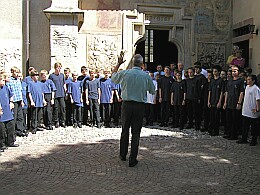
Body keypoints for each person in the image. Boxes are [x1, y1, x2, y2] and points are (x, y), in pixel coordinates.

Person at [111, 53, 155, 167]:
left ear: (132, 63)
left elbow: (113, 77)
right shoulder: (146, 76)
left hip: (126, 105)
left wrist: (118, 63)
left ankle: (123, 154)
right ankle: (132, 159)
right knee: (136, 133)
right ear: (142, 65)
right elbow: (152, 90)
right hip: (139, 106)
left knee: (125, 130)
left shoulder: (125, 73)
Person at [237, 75, 260, 146]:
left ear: (253, 81)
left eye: (249, 79)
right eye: (247, 79)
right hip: (246, 110)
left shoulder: (256, 89)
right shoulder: (247, 87)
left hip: (253, 110)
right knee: (245, 126)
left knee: (253, 127)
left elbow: (258, 99)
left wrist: (258, 108)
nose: (247, 81)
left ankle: (254, 140)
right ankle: (244, 138)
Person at [223, 65, 244, 140]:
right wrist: (225, 102)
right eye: (232, 71)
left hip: (236, 103)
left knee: (235, 120)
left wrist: (239, 103)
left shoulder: (240, 81)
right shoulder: (229, 81)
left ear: (238, 72)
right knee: (228, 119)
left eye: (235, 71)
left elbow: (241, 92)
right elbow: (227, 92)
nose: (233, 72)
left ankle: (234, 134)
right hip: (229, 103)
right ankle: (229, 133)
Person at [0, 73, 18, 148]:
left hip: (8, 110)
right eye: (1, 80)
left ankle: (10, 142)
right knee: (2, 129)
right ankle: (2, 144)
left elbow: (11, 95)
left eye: (4, 80)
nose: (3, 82)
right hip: (1, 111)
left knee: (11, 126)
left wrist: (11, 102)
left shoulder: (6, 87)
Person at [208, 66, 225, 136]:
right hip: (212, 100)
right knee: (211, 116)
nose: (214, 73)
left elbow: (221, 92)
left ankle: (216, 131)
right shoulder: (212, 80)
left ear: (218, 72)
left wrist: (220, 102)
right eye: (213, 71)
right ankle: (211, 129)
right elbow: (210, 91)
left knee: (217, 117)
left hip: (217, 100)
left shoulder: (221, 81)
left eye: (215, 71)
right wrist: (208, 101)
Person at [49, 62, 66, 128]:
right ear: (55, 68)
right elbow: (50, 85)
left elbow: (64, 84)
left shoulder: (62, 75)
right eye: (57, 68)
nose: (59, 69)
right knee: (56, 108)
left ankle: (63, 121)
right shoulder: (51, 76)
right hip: (55, 94)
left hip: (62, 94)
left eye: (60, 68)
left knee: (63, 108)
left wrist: (65, 92)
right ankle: (56, 121)